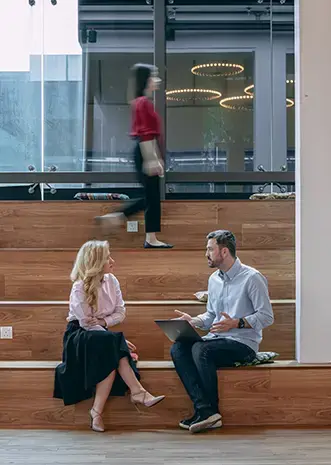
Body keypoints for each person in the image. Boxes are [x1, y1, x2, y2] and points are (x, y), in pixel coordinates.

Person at [53, 240, 165, 432]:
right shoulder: (79, 287)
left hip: (101, 335)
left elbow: (120, 313)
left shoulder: (112, 281)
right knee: (111, 346)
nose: (112, 260)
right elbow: (86, 323)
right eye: (107, 257)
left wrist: (105, 326)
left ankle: (97, 412)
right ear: (96, 262)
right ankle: (137, 392)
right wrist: (113, 339)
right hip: (78, 336)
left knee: (109, 351)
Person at [172, 230, 274, 433]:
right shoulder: (214, 279)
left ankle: (210, 411)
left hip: (243, 344)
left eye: (210, 249)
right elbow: (211, 315)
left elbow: (267, 316)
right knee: (179, 348)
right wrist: (193, 321)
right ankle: (204, 409)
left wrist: (237, 323)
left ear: (224, 251)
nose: (206, 254)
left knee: (201, 350)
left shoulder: (252, 278)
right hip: (216, 339)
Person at [96, 63, 173, 249]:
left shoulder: (140, 102)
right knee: (150, 197)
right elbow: (146, 134)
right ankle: (121, 219)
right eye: (154, 76)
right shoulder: (143, 103)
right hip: (145, 150)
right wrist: (152, 159)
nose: (158, 80)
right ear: (146, 79)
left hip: (145, 150)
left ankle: (146, 235)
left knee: (151, 196)